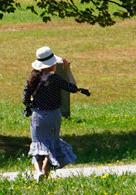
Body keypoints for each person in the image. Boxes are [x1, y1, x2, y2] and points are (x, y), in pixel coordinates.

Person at [23, 46, 90, 181]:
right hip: (53, 116)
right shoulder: (54, 79)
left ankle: (38, 172)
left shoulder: (32, 78)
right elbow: (73, 88)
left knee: (37, 147)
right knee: (50, 146)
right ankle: (45, 177)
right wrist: (68, 70)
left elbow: (25, 98)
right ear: (52, 64)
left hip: (37, 117)